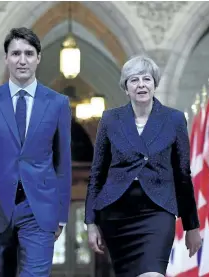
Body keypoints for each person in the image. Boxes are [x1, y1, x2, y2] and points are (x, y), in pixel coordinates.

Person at [0, 27, 72, 277]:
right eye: (15, 54)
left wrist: (61, 215)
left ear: (38, 58)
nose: (22, 60)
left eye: (29, 53)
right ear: (6, 59)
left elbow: (63, 164)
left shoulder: (57, 104)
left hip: (39, 209)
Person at [85, 55, 202, 277]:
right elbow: (97, 174)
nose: (141, 85)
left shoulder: (174, 119)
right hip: (117, 213)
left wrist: (191, 225)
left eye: (146, 79)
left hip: (157, 212)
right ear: (126, 88)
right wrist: (90, 223)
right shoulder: (110, 119)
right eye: (134, 80)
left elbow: (182, 175)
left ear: (154, 84)